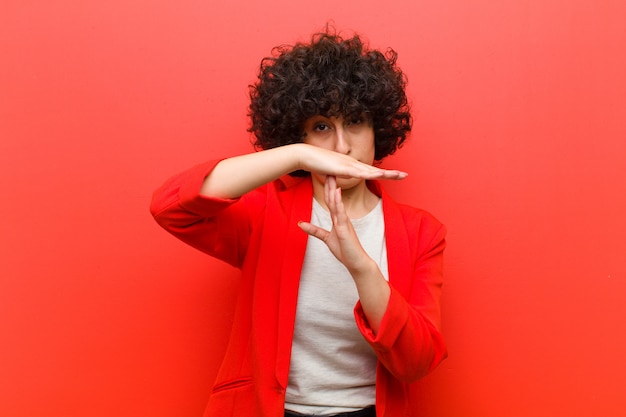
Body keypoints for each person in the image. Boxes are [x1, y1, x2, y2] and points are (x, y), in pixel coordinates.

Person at [150, 28, 447, 417]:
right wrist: (293, 157)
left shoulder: (422, 232)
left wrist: (361, 267)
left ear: (379, 129)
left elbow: (417, 363)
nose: (342, 146)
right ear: (298, 136)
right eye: (321, 127)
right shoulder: (266, 211)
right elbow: (171, 206)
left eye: (355, 121)